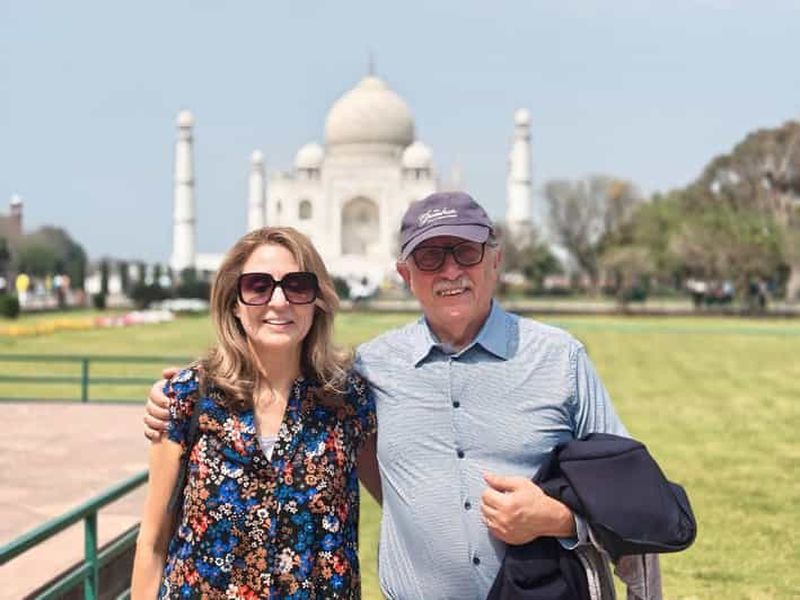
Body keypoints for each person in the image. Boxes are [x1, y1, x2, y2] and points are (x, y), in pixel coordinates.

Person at [145, 192, 645, 599]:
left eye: (465, 252)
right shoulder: (361, 379)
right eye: (430, 257)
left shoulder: (558, 359)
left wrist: (557, 518)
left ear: (495, 261)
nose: (450, 271)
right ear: (406, 274)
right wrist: (169, 399)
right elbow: (152, 544)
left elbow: (634, 501)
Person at [132, 227, 377, 599]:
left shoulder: (346, 401)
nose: (278, 302)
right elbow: (152, 542)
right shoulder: (189, 397)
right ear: (234, 301)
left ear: (318, 300)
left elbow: (405, 500)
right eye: (258, 286)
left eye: (297, 286)